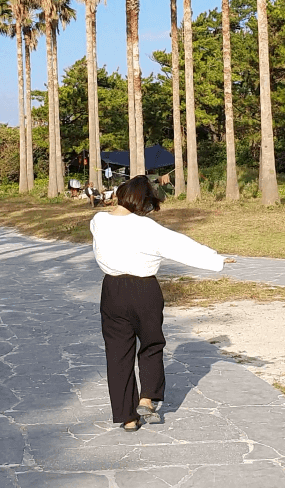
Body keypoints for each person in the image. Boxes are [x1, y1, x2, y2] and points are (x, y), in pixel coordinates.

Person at [90, 175, 224, 432]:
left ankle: (128, 418)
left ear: (119, 194)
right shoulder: (147, 228)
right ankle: (146, 398)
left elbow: (113, 222)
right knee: (151, 344)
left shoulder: (98, 221)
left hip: (113, 290)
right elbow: (180, 246)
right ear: (143, 202)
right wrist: (216, 260)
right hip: (144, 290)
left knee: (118, 354)